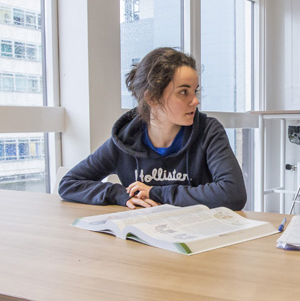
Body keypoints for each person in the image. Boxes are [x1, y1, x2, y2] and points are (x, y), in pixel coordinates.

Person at [59, 47, 247, 210]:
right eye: (183, 92)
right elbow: (69, 184)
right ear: (153, 99)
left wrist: (156, 193)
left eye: (195, 91)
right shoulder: (125, 140)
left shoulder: (209, 131)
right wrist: (122, 195)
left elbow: (233, 193)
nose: (195, 100)